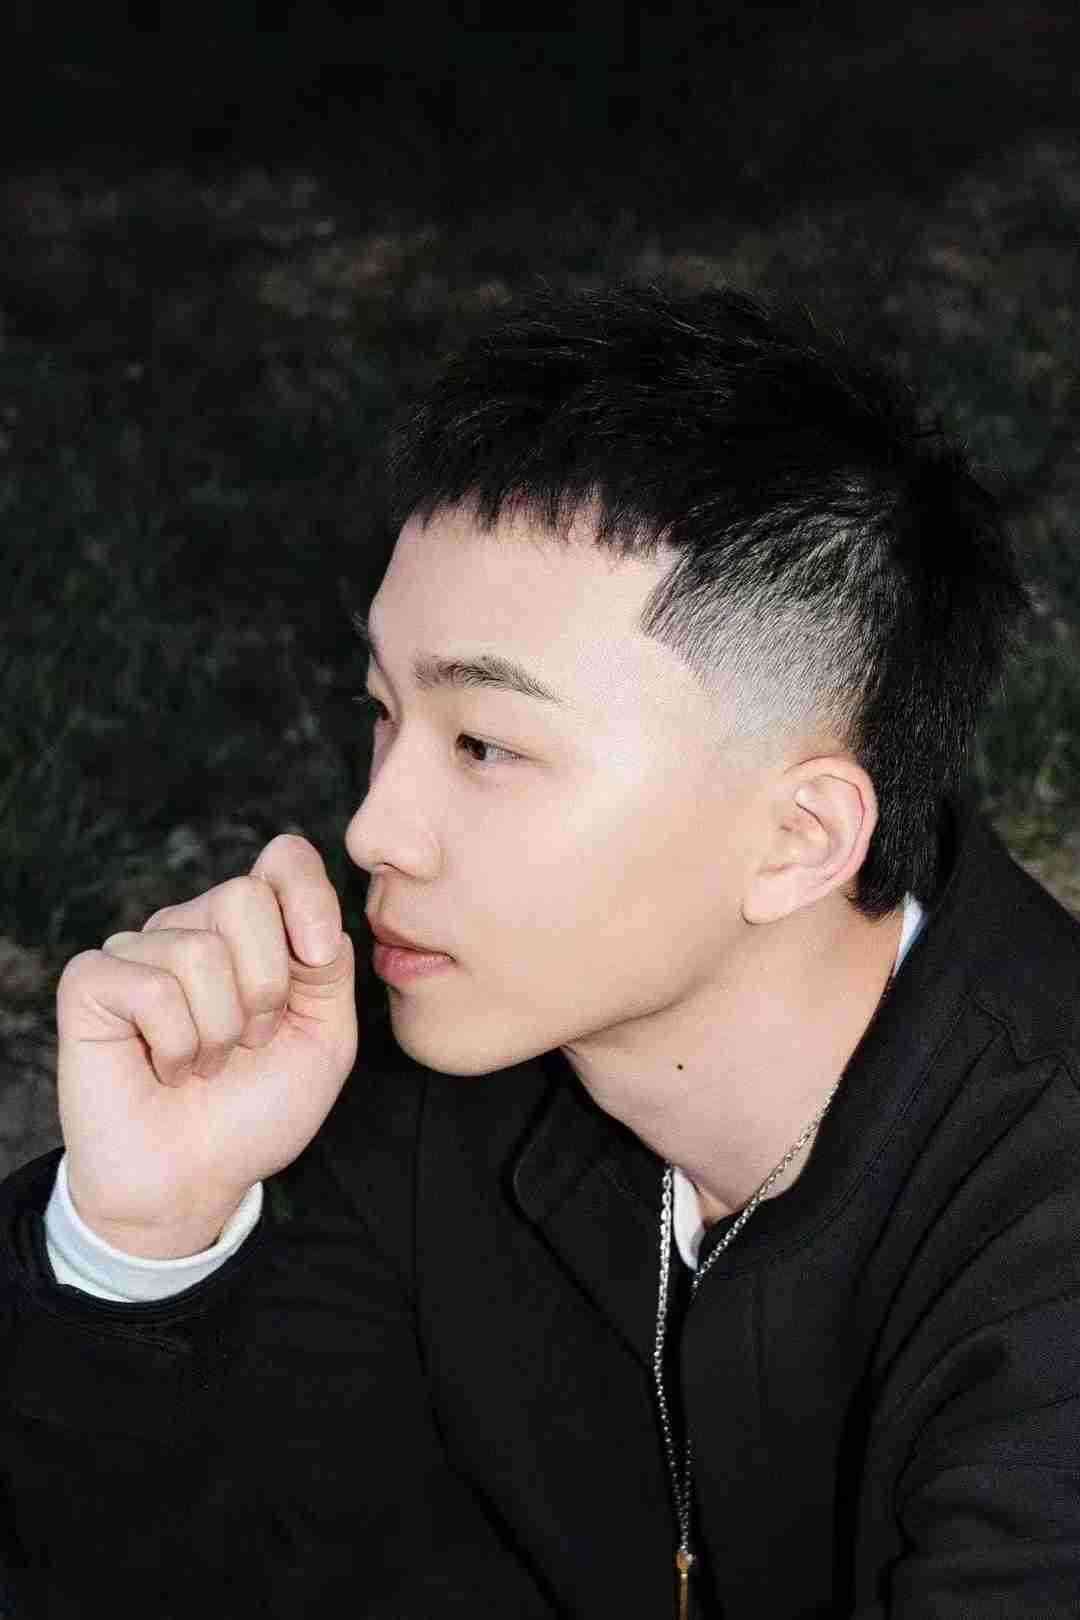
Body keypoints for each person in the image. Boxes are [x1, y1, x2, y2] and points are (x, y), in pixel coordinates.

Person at [1, 280, 1077, 1620]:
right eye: (381, 710)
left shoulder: (1041, 1242)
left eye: (485, 744)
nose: (374, 827)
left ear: (797, 839)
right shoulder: (406, 1073)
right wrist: (142, 1242)